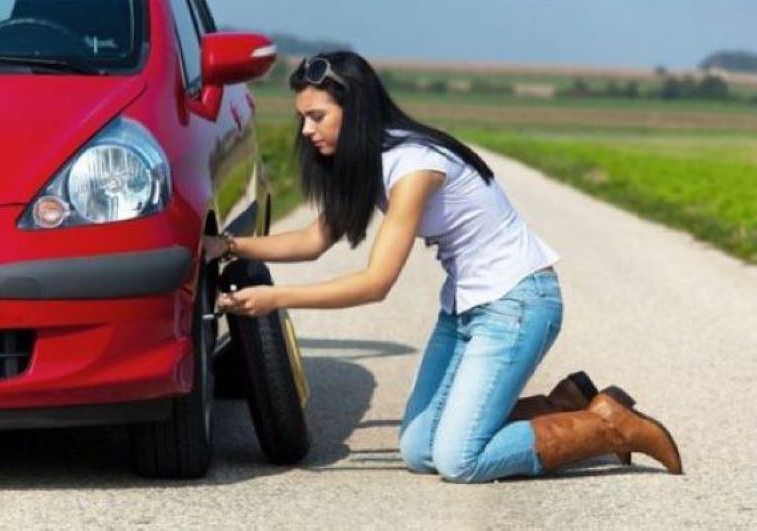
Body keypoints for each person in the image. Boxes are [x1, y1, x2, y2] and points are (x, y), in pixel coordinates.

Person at [203, 51, 682, 483]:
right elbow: (312, 240)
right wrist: (226, 245)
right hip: (466, 309)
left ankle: (608, 426)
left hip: (517, 304)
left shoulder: (413, 167)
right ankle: (563, 406)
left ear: (357, 111)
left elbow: (376, 283)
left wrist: (274, 299)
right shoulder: (369, 164)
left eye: (317, 117)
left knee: (460, 460)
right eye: (303, 118)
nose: (307, 131)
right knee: (417, 450)